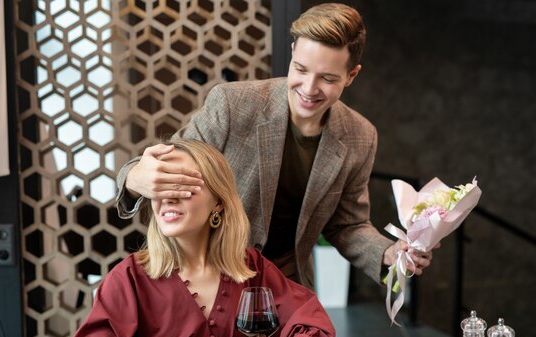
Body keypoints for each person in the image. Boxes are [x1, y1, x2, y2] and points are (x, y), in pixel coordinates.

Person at [115, 3, 434, 288]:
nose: (309, 89)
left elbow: (348, 225)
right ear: (293, 50)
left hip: (287, 290)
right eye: (301, 69)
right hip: (210, 283)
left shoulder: (360, 136)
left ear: (351, 75)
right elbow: (164, 169)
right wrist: (133, 181)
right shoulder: (233, 105)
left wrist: (389, 253)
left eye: (328, 78)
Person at [65, 140, 336, 337]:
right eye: (161, 188)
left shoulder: (249, 267)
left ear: (218, 202)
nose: (168, 198)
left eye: (183, 187)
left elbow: (315, 328)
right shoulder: (129, 278)